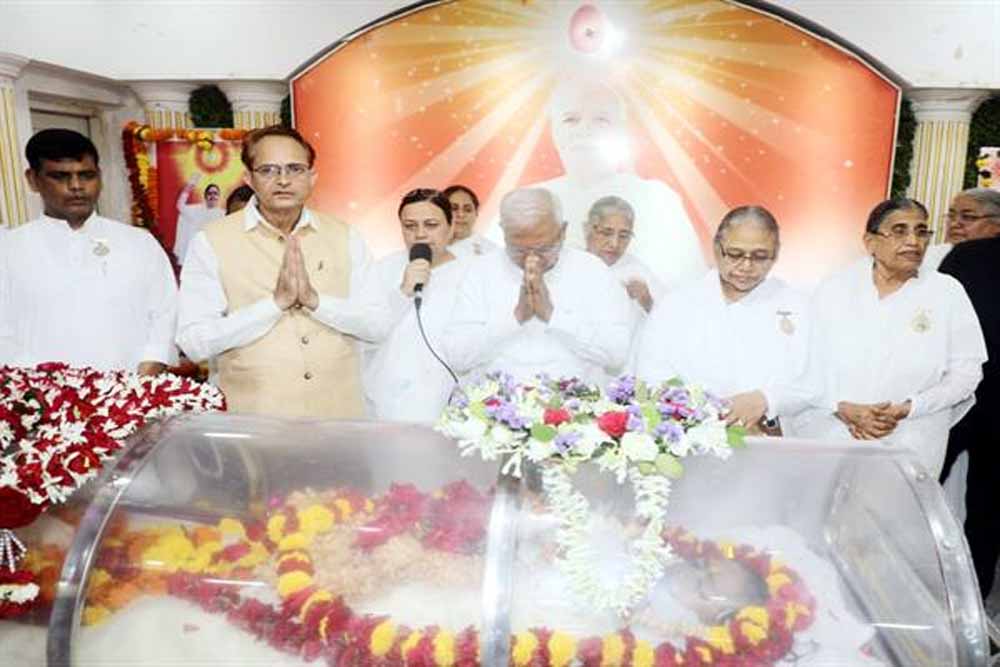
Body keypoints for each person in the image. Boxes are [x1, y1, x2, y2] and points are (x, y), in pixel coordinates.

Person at [176, 125, 392, 418]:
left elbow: (378, 325)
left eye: (295, 169)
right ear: (248, 178)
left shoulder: (345, 236)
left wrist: (316, 303)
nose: (283, 180)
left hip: (340, 419)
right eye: (268, 170)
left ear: (312, 177)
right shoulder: (211, 241)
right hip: (254, 422)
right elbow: (194, 342)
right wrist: (273, 306)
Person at [789, 198, 987, 477]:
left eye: (921, 231)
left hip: (912, 437)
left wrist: (909, 408)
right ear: (870, 242)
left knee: (895, 505)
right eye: (899, 231)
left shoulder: (947, 292)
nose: (913, 241)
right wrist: (841, 408)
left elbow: (966, 373)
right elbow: (802, 365)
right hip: (835, 431)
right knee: (828, 502)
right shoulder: (834, 290)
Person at [0, 128, 177, 373]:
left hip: (132, 390)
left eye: (86, 175)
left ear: (100, 176)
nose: (76, 186)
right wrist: (39, 389)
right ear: (32, 180)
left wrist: (143, 379)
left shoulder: (139, 244)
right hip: (37, 393)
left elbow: (165, 316)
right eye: (60, 176)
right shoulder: (9, 249)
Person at [634, 206, 810, 433]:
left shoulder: (797, 306)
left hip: (771, 441)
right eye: (735, 254)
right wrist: (704, 416)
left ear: (775, 254)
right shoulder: (676, 305)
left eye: (759, 256)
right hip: (691, 439)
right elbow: (650, 378)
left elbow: (814, 383)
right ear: (717, 248)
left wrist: (766, 400)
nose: (746, 266)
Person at [523, 76, 706, 287]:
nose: (585, 130)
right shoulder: (526, 201)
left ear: (620, 131)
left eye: (601, 120)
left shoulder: (658, 198)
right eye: (570, 120)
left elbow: (689, 285)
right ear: (554, 130)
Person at [445, 187, 632, 384]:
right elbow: (458, 357)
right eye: (519, 250)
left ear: (563, 231)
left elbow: (616, 354)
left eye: (543, 248)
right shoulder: (481, 271)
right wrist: (515, 318)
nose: (531, 258)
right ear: (503, 231)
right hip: (494, 401)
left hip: (576, 401)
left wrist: (554, 316)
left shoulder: (592, 270)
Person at [365, 188, 469, 421]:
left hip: (448, 402)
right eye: (410, 226)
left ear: (451, 226)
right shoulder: (381, 269)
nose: (420, 234)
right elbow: (366, 331)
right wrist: (403, 292)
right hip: (387, 402)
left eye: (431, 225)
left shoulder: (473, 274)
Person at [937, 236, 1000, 599]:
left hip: (979, 409)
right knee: (913, 488)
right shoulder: (967, 256)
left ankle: (971, 603)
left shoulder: (968, 255)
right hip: (946, 401)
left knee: (986, 513)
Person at [584, 195, 665, 315]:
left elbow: (672, 319)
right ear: (587, 229)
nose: (615, 244)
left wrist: (647, 302)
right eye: (606, 233)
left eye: (624, 236)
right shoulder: (568, 263)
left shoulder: (638, 271)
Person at [922, 187, 1000, 270]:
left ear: (997, 224)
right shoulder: (925, 257)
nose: (954, 224)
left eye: (968, 217)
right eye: (951, 216)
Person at [174, 175, 224, 264]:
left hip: (213, 252)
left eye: (215, 193)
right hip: (196, 251)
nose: (212, 196)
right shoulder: (196, 210)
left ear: (218, 196)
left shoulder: (222, 214)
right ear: (205, 196)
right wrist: (189, 186)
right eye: (210, 193)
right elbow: (180, 206)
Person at [442, 184, 496, 257]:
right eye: (454, 209)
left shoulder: (491, 252)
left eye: (468, 210)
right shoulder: (429, 247)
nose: (461, 214)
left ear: (476, 214)